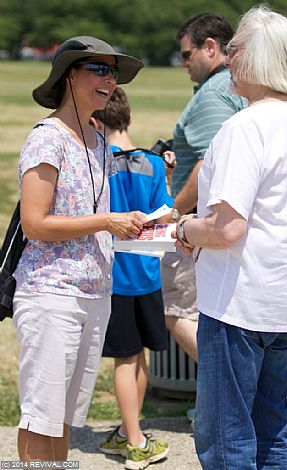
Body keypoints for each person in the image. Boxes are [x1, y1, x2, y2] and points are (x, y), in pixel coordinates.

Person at [174, 6, 287, 469]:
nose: (229, 59)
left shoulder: (245, 128)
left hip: (239, 305)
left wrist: (185, 228)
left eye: (235, 50)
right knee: (272, 426)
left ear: (261, 59)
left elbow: (227, 228)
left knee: (226, 436)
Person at [12, 36, 146, 461]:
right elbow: (35, 224)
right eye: (99, 69)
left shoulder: (97, 139)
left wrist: (132, 227)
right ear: (71, 74)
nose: (110, 80)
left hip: (94, 294)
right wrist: (107, 222)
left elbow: (88, 213)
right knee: (41, 417)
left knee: (66, 418)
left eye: (114, 72)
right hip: (52, 295)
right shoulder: (47, 138)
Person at [92, 87, 172, 469]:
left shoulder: (95, 165)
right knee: (139, 357)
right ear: (129, 119)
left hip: (114, 279)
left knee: (124, 360)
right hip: (148, 276)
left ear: (96, 122)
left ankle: (134, 440)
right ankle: (129, 430)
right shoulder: (155, 164)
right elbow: (166, 214)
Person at [161, 12, 247, 364]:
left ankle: (230, 391)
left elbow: (208, 162)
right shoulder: (237, 87)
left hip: (201, 225)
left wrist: (174, 211)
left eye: (186, 54)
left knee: (177, 311)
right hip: (233, 222)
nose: (183, 63)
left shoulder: (211, 95)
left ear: (210, 47)